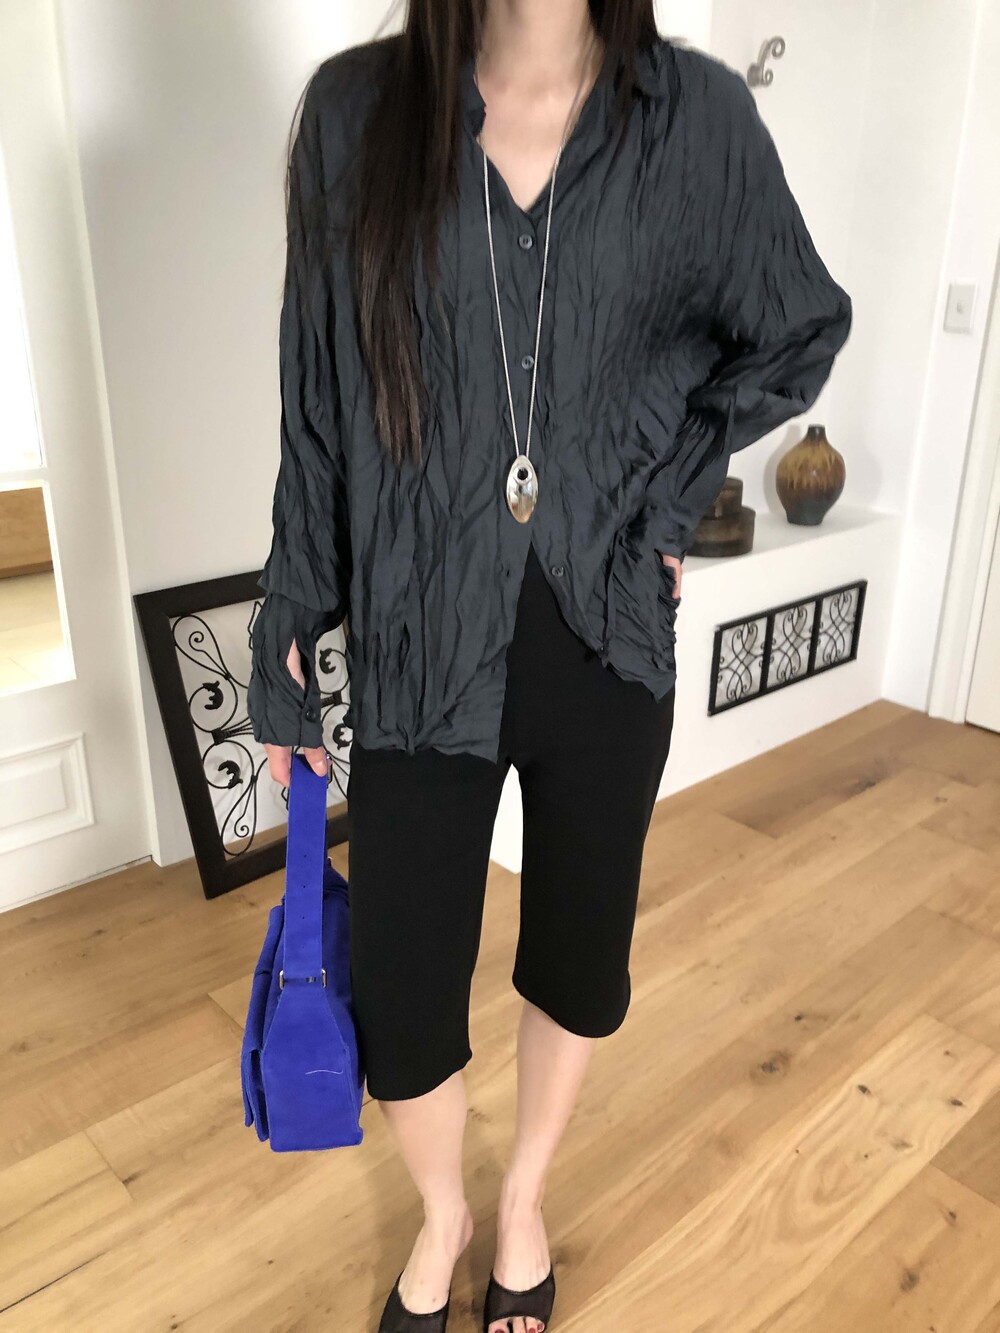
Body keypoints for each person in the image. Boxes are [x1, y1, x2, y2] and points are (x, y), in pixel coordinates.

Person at [246, 3, 852, 1330]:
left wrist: (668, 496)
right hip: (419, 637)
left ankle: (520, 1198)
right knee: (403, 993)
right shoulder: (356, 116)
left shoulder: (696, 123)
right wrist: (291, 624)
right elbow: (317, 400)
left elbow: (798, 322)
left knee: (578, 957)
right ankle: (444, 1215)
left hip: (607, 633)